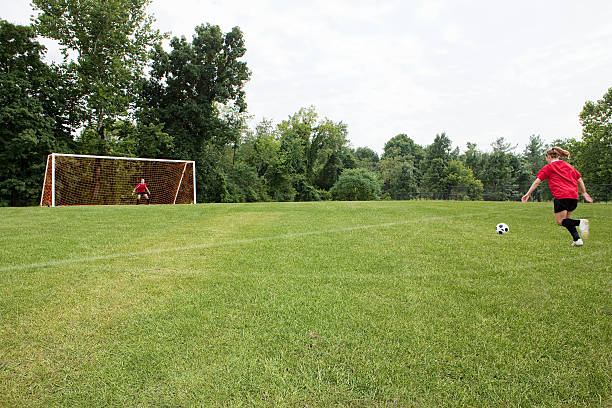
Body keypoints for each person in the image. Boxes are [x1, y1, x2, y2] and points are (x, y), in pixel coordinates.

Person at [521, 146, 593, 246]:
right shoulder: (568, 165)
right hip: (573, 196)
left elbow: (537, 182)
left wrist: (528, 194)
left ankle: (581, 222)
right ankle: (577, 240)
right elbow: (579, 179)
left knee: (560, 221)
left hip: (561, 196)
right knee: (567, 221)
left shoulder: (548, 168)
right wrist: (584, 192)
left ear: (548, 157)